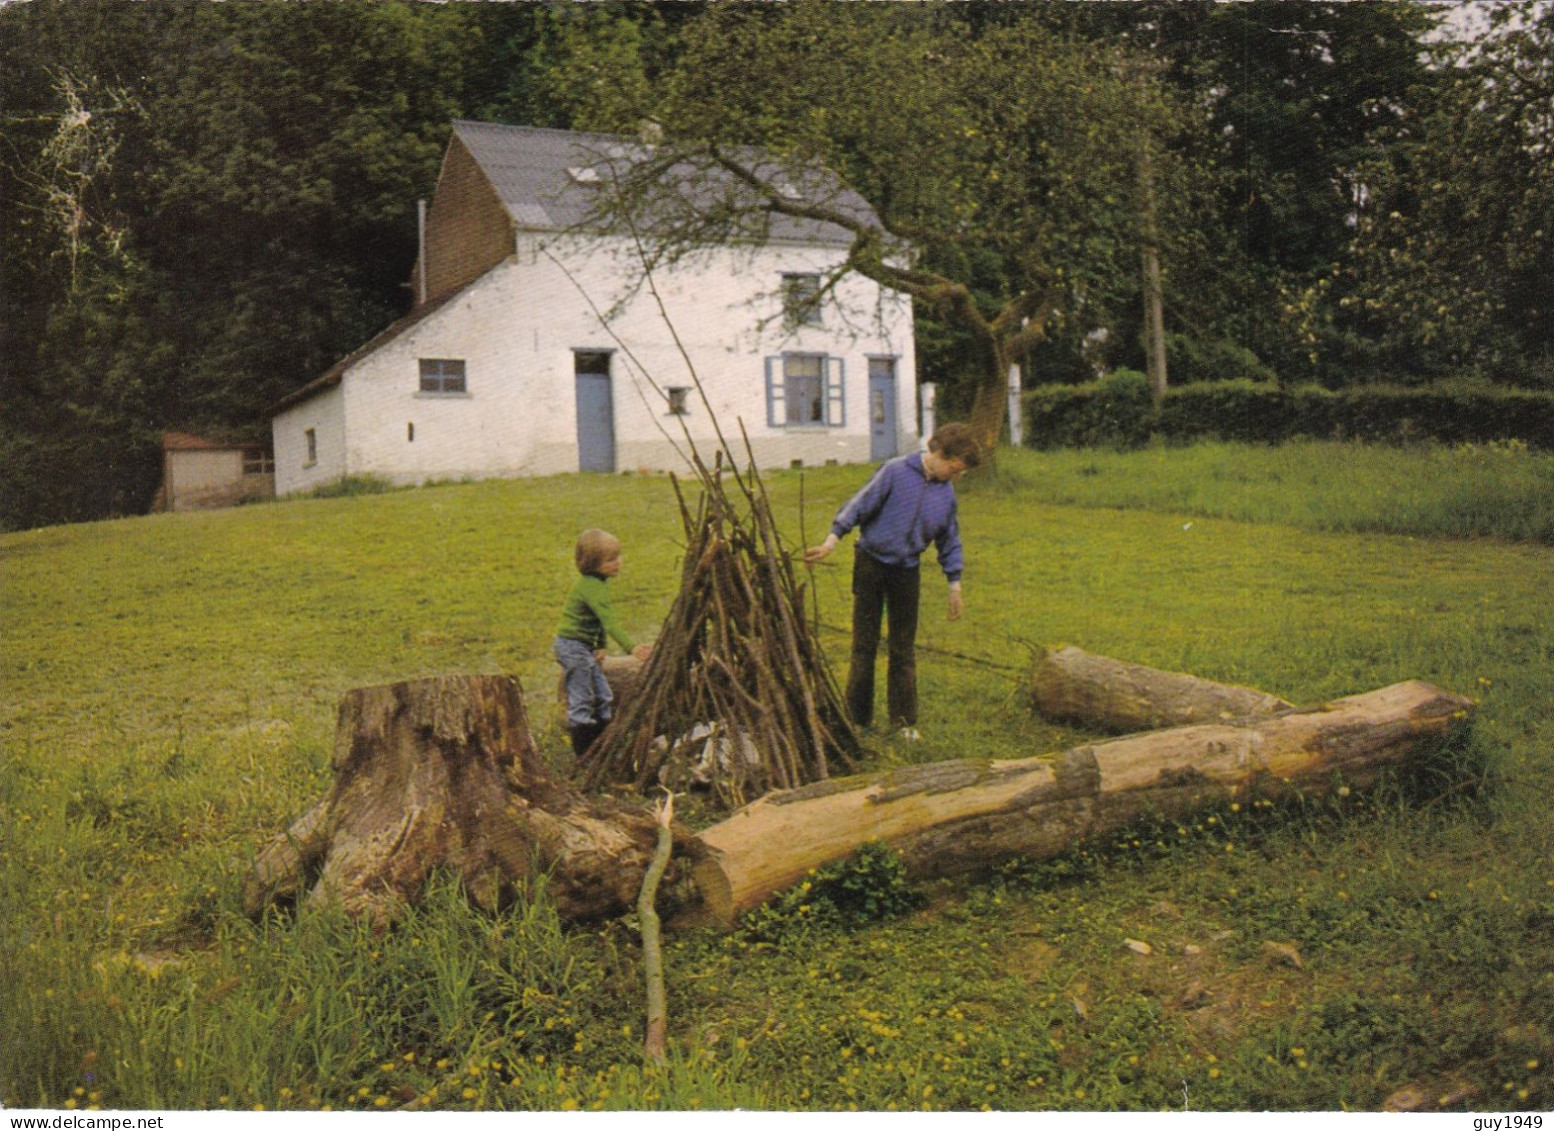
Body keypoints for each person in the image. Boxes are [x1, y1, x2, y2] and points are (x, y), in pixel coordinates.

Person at [803, 422, 981, 739]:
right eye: (953, 468)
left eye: (960, 473)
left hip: (906, 572)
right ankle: (858, 719)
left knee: (903, 649)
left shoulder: (946, 493)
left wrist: (955, 585)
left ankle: (903, 723)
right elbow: (858, 506)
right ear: (938, 453)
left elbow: (949, 539)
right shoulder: (895, 471)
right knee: (864, 645)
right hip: (871, 565)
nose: (955, 476)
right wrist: (831, 542)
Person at [553, 528, 652, 758]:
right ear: (592, 563)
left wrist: (599, 646)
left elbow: (596, 622)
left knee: (604, 695)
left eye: (618, 556)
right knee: (582, 699)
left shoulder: (598, 582)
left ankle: (603, 743)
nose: (619, 562)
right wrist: (632, 648)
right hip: (572, 646)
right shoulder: (591, 587)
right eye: (611, 559)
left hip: (584, 646)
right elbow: (609, 622)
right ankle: (584, 753)